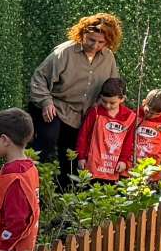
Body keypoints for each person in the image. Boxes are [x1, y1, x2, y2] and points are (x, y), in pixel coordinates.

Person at [26, 11, 121, 186]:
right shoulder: (64, 53)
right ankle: (34, 185)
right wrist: (46, 102)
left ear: (108, 41)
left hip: (84, 115)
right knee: (46, 144)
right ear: (82, 33)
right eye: (91, 40)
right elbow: (39, 79)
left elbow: (112, 85)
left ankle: (64, 193)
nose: (95, 45)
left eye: (101, 42)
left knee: (72, 157)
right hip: (57, 107)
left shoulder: (108, 58)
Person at [0, 109, 43, 251]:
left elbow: (18, 217)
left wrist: (5, 247)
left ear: (4, 140)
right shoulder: (29, 167)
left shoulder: (14, 177)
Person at [75, 78, 139, 183]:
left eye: (112, 103)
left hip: (114, 166)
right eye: (104, 101)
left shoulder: (129, 117)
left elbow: (128, 141)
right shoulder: (95, 112)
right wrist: (81, 157)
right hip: (93, 164)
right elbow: (83, 135)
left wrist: (123, 160)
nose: (107, 106)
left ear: (122, 99)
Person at [131, 89, 161, 168]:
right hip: (131, 160)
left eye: (156, 114)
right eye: (148, 111)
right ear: (144, 103)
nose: (151, 115)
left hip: (153, 164)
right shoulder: (134, 115)